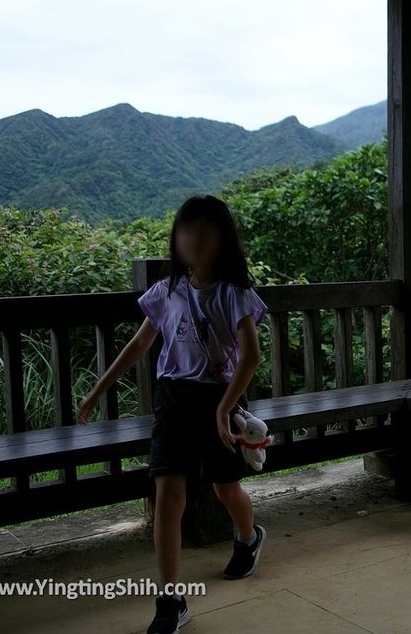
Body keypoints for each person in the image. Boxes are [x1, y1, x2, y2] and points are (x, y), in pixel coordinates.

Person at [76, 194, 269, 633]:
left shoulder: (234, 294)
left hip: (220, 398)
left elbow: (251, 357)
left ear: (223, 241)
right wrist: (97, 391)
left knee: (226, 488)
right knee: (168, 496)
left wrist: (224, 408)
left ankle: (248, 537)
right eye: (186, 231)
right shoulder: (167, 291)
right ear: (175, 238)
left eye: (204, 233)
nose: (193, 240)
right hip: (172, 401)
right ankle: (169, 599)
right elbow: (141, 344)